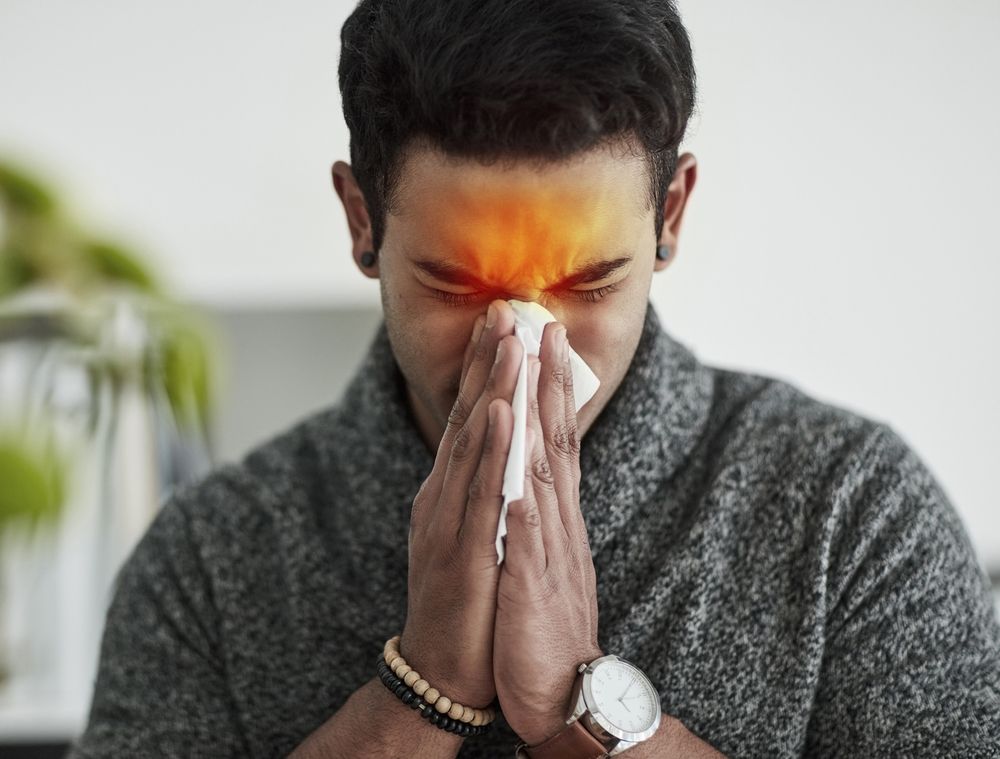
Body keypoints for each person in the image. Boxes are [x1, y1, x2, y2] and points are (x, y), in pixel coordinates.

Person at [69, 0, 1000, 757]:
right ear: (362, 222)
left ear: (670, 213)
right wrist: (419, 693)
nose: (524, 342)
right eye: (455, 284)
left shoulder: (854, 512)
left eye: (590, 282)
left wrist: (576, 708)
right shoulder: (208, 561)